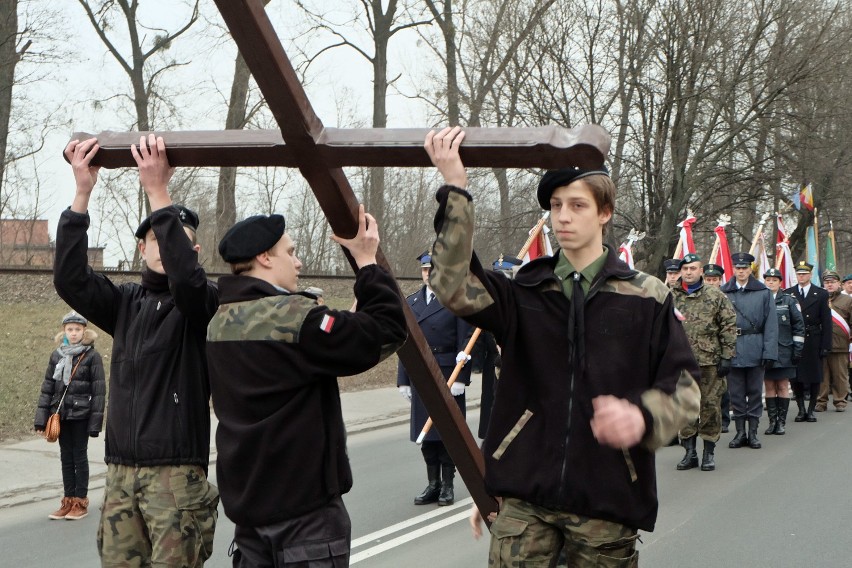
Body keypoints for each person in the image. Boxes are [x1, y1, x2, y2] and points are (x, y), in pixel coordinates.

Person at [425, 126, 700, 566]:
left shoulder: (647, 298)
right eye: (556, 206)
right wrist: (455, 190)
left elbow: (685, 391)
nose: (563, 217)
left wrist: (642, 417)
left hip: (605, 498)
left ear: (604, 212)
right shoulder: (524, 291)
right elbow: (452, 283)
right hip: (524, 497)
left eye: (577, 206)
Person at [206, 208, 407, 566]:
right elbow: (388, 331)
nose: (298, 263)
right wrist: (366, 262)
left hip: (250, 522)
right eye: (291, 252)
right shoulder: (297, 319)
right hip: (305, 522)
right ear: (264, 257)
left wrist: (343, 322)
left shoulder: (218, 323)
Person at [55, 135, 219, 566]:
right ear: (141, 248)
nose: (166, 249)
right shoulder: (125, 302)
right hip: (121, 473)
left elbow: (188, 282)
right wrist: (82, 194)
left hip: (176, 475)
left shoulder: (202, 303)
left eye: (177, 242)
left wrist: (157, 192)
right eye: (157, 241)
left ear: (193, 252)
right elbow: (70, 279)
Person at [397, 250, 474, 506]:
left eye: (433, 269)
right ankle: (433, 484)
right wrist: (404, 379)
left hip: (447, 373)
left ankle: (448, 486)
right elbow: (405, 342)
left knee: (447, 433)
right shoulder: (412, 303)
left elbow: (467, 340)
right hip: (422, 374)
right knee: (426, 434)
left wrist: (462, 377)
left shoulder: (454, 300)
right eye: (424, 270)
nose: (428, 274)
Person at [34, 311, 105, 520]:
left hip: (82, 415)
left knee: (79, 457)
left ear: (84, 331)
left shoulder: (92, 356)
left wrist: (95, 423)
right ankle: (67, 500)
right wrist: (41, 418)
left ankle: (80, 501)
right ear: (64, 331)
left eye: (77, 330)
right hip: (61, 414)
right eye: (69, 329)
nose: (73, 333)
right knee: (66, 458)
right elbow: (48, 387)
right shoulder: (57, 355)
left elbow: (99, 391)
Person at [671, 254, 736, 471]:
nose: (688, 272)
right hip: (681, 362)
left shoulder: (714, 295)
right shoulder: (670, 295)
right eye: (685, 268)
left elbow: (728, 325)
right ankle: (690, 453)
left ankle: (709, 452)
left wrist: (727, 356)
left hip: (710, 361)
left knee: (710, 406)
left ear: (701, 271)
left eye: (693, 268)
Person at [720, 252, 778, 449]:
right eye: (738, 268)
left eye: (744, 268)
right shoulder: (723, 292)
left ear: (750, 270)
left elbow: (771, 325)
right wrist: (722, 352)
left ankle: (752, 433)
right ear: (733, 269)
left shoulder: (763, 292)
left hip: (755, 346)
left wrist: (769, 352)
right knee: (735, 394)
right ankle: (739, 433)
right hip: (732, 347)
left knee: (754, 392)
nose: (741, 271)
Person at [477, 254, 519, 440]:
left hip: (517, 371)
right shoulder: (490, 306)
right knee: (493, 423)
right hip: (493, 370)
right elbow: (478, 335)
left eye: (506, 276)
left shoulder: (522, 305)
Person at [784, 261, 832, 422]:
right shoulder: (789, 293)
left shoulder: (821, 293)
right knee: (795, 377)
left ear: (810, 275)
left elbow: (826, 321)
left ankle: (811, 410)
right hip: (795, 340)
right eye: (799, 274)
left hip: (813, 339)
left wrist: (826, 345)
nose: (801, 276)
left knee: (814, 376)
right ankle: (801, 409)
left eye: (804, 274)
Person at [762, 268, 804, 435]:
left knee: (782, 385)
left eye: (774, 280)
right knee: (769, 385)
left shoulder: (789, 300)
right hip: (767, 351)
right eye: (768, 280)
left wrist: (797, 350)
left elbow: (799, 326)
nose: (771, 282)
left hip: (785, 350)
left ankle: (781, 422)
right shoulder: (761, 300)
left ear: (780, 282)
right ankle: (772, 422)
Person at [815, 271, 852, 411]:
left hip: (841, 344)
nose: (829, 285)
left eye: (832, 282)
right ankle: (821, 401)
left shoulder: (847, 300)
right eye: (827, 282)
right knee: (822, 376)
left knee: (840, 375)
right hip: (822, 344)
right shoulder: (818, 298)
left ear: (838, 284)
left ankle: (840, 401)